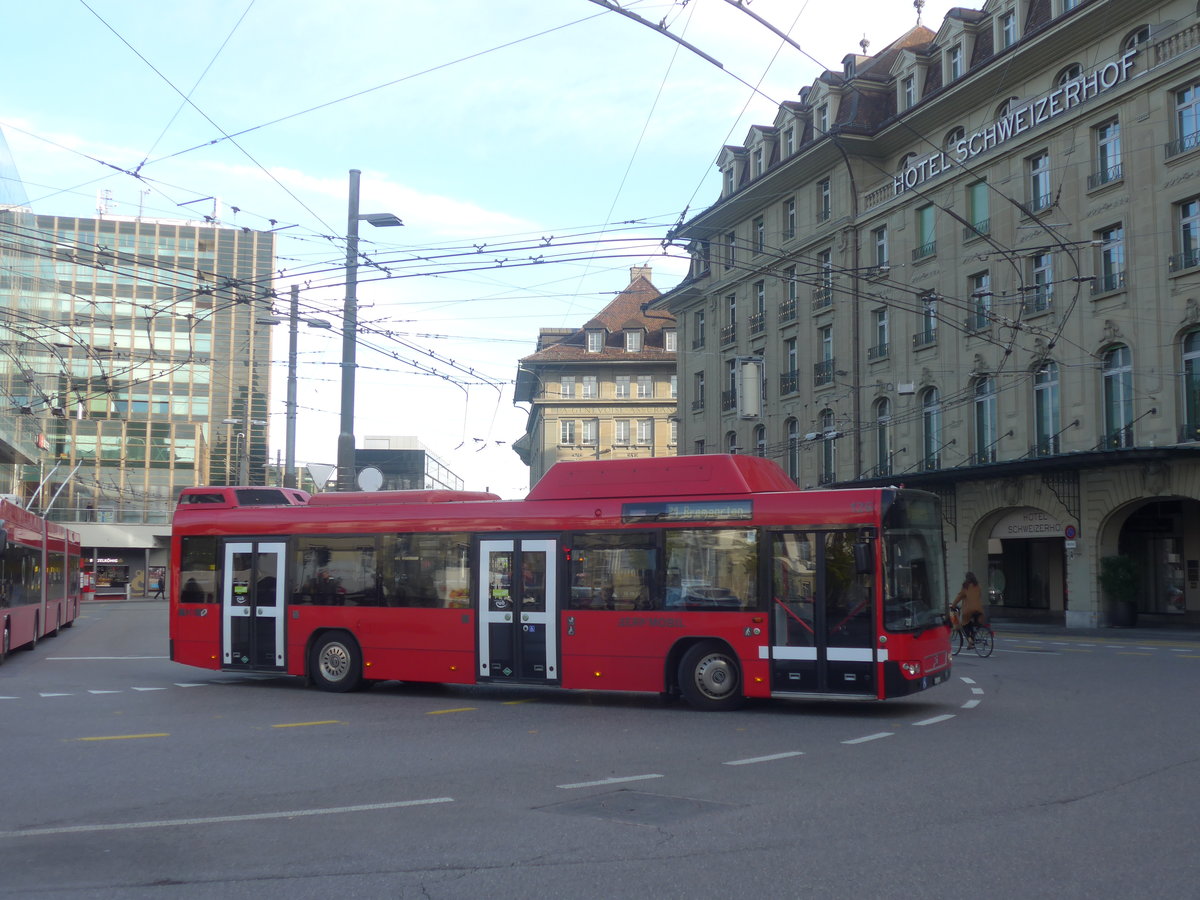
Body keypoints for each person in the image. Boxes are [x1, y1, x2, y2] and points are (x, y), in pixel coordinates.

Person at [952, 571, 985, 646]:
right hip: (979, 609)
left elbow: (959, 597)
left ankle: (970, 640)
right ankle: (971, 643)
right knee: (971, 624)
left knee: (964, 624)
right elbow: (979, 595)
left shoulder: (966, 586)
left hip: (969, 610)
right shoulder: (978, 586)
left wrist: (953, 605)